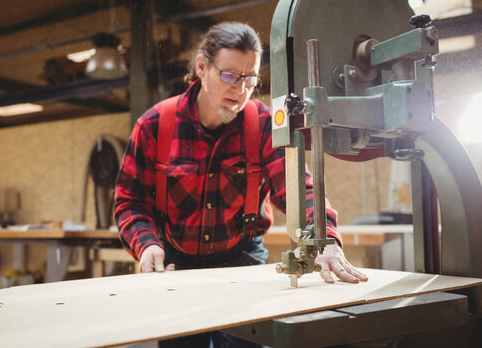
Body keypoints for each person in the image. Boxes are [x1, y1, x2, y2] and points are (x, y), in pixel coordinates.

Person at [113, 21, 368, 348]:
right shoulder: (154, 125)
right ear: (202, 67)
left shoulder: (261, 124)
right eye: (230, 75)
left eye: (250, 78)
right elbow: (128, 201)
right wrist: (146, 244)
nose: (241, 89)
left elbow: (298, 189)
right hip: (176, 267)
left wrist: (324, 237)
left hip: (241, 261)